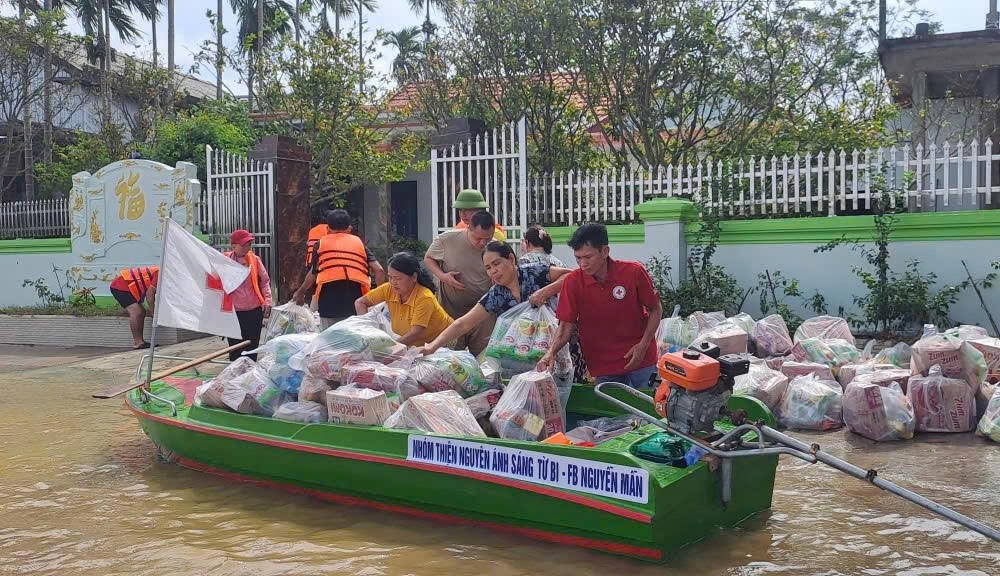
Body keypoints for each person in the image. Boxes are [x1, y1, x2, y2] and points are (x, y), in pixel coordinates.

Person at [537, 223, 662, 389]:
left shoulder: (633, 272)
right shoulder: (573, 282)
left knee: (650, 410)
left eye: (588, 257)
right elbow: (565, 326)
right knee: (612, 414)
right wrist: (550, 353)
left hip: (641, 360)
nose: (583, 264)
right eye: (578, 258)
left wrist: (643, 345)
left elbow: (656, 309)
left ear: (605, 251)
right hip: (604, 367)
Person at [422, 241, 571, 355]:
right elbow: (463, 323)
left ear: (511, 259)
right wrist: (432, 346)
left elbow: (570, 276)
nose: (493, 271)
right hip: (523, 353)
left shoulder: (533, 272)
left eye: (496, 264)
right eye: (488, 268)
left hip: (556, 344)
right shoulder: (496, 295)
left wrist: (545, 292)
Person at [292, 209, 386, 329]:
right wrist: (378, 295)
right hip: (356, 300)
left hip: (328, 300)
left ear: (328, 229)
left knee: (330, 342)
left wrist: (301, 291)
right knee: (355, 341)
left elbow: (313, 272)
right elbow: (379, 270)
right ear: (349, 229)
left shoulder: (320, 244)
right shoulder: (359, 244)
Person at [423, 210, 497, 355]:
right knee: (450, 358)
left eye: (487, 239)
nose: (483, 243)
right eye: (478, 238)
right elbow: (429, 258)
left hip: (482, 314)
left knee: (483, 357)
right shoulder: (447, 240)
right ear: (468, 227)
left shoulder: (494, 248)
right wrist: (443, 276)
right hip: (451, 312)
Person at [354, 252, 453, 346]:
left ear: (414, 277)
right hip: (416, 345)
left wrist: (390, 349)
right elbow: (360, 302)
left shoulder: (424, 297)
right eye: (390, 277)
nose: (393, 282)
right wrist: (367, 331)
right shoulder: (388, 289)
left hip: (444, 342)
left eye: (398, 278)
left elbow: (415, 333)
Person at [225, 229, 273, 361]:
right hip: (234, 313)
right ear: (233, 246)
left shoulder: (254, 260)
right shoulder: (224, 260)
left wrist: (267, 300)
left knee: (252, 348)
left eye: (249, 244)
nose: (247, 247)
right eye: (244, 245)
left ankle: (249, 376)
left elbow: (265, 281)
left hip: (254, 311)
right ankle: (236, 377)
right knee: (235, 348)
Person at [109, 266, 158, 349]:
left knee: (141, 311)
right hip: (121, 286)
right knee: (136, 311)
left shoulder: (161, 272)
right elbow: (150, 295)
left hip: (126, 286)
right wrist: (154, 313)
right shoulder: (160, 274)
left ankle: (140, 342)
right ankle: (138, 343)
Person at [304, 207, 332, 311]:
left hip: (309, 261)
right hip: (321, 263)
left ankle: (311, 309)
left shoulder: (313, 230)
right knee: (321, 288)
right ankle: (318, 309)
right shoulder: (329, 230)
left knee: (311, 288)